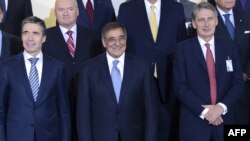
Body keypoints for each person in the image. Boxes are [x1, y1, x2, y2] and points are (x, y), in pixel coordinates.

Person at [173, 2, 245, 141]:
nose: (206, 24)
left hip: (225, 120)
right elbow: (179, 86)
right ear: (194, 23)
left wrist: (220, 108)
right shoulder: (182, 50)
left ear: (216, 21)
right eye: (201, 20)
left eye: (210, 19)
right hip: (194, 122)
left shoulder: (228, 47)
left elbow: (238, 83)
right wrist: (206, 112)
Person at [77, 22, 158, 141]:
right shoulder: (88, 70)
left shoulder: (142, 67)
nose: (117, 43)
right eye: (112, 39)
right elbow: (83, 115)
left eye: (121, 38)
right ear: (104, 42)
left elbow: (151, 110)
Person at [118, 0, 186, 140]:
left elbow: (182, 44)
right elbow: (120, 44)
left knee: (166, 127)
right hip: (137, 79)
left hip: (168, 78)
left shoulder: (176, 8)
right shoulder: (126, 8)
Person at [0, 16, 71, 141]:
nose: (30, 38)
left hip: (49, 136)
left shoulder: (57, 68)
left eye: (35, 33)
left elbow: (63, 112)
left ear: (43, 38)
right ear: (21, 36)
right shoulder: (7, 68)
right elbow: (1, 111)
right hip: (17, 136)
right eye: (25, 33)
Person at [42, 0, 102, 140]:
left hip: (88, 101)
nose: (65, 13)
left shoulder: (93, 36)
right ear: (55, 13)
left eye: (69, 9)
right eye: (61, 9)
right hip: (58, 101)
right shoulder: (45, 37)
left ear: (78, 11)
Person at [213, 0, 250, 124]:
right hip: (219, 91)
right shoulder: (207, 18)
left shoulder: (246, 16)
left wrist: (246, 72)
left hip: (245, 88)